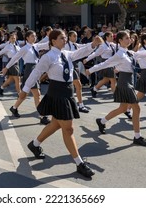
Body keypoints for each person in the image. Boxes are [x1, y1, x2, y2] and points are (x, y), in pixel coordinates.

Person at [23, 29, 97, 178]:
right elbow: (36, 73)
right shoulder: (48, 57)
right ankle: (79, 163)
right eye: (62, 38)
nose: (65, 40)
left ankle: (35, 144)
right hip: (57, 93)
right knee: (68, 129)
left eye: (65, 38)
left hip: (68, 93)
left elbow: (80, 52)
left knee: (56, 124)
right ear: (53, 41)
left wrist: (93, 45)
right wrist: (25, 89)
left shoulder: (67, 54)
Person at [86, 31, 146, 147]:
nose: (129, 40)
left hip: (129, 81)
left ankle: (101, 121)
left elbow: (145, 53)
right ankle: (137, 137)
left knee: (122, 108)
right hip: (124, 82)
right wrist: (90, 70)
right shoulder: (119, 54)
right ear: (120, 41)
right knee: (136, 108)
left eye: (129, 38)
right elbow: (105, 64)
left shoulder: (129, 53)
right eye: (126, 38)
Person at [6, 30, 51, 124]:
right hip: (29, 70)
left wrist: (55, 37)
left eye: (35, 36)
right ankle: (42, 116)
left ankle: (14, 108)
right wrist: (6, 67)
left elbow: (47, 44)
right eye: (32, 36)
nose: (34, 38)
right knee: (37, 94)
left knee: (25, 93)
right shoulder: (24, 48)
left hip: (36, 69)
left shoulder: (36, 46)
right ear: (27, 38)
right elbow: (15, 58)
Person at [84, 31, 116, 98]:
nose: (112, 37)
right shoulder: (103, 46)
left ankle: (94, 89)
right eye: (111, 36)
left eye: (112, 36)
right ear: (106, 37)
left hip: (110, 63)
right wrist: (87, 59)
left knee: (106, 79)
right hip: (106, 63)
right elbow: (95, 54)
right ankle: (116, 95)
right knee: (113, 80)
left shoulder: (112, 44)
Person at [65, 30, 90, 113]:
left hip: (74, 66)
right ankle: (79, 105)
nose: (76, 38)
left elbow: (84, 46)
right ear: (69, 37)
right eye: (74, 36)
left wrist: (93, 44)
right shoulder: (66, 45)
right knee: (76, 85)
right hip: (68, 66)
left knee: (76, 86)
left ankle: (79, 105)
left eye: (76, 36)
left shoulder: (76, 45)